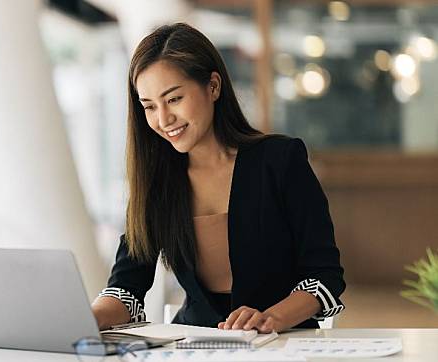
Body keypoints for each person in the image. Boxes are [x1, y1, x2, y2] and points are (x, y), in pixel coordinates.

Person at [91, 23, 345, 333]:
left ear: (213, 86)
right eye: (149, 106)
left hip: (282, 342)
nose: (163, 119)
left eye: (173, 99)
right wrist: (86, 318)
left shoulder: (280, 161)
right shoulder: (157, 183)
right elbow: (126, 288)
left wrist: (272, 318)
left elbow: (324, 276)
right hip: (194, 345)